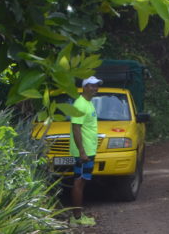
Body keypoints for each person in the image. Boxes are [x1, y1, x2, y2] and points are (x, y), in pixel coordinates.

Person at [69, 75, 102, 227]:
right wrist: (82, 151)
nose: (95, 88)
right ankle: (76, 218)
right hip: (83, 152)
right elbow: (76, 128)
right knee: (79, 182)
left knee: (82, 181)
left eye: (96, 86)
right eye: (91, 85)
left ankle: (78, 215)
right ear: (84, 87)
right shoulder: (80, 104)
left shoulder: (88, 103)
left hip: (88, 150)